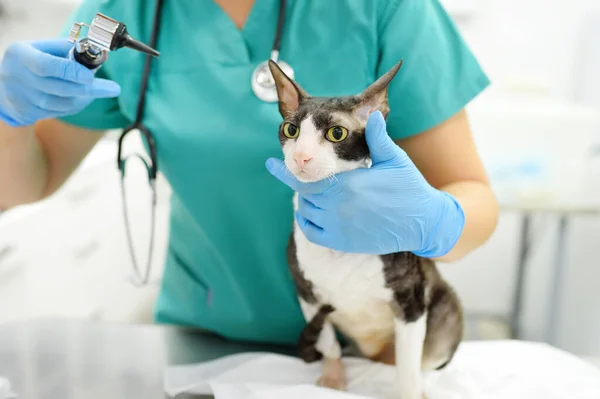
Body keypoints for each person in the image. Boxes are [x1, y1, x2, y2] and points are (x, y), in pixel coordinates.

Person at [0, 0, 498, 347]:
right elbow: (24, 183)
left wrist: (438, 221)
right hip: (207, 335)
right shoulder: (126, 11)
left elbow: (474, 196)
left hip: (371, 342)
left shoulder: (383, 7)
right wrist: (8, 116)